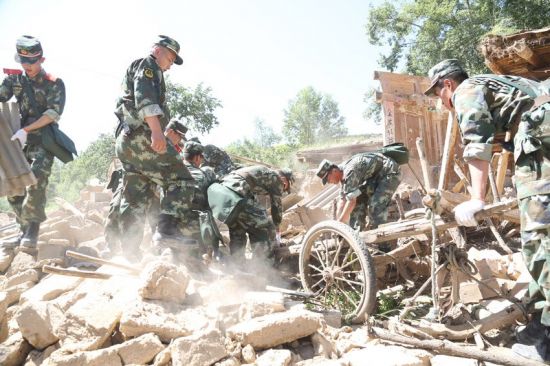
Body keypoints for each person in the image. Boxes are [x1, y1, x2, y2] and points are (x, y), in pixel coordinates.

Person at [424, 59, 550, 361]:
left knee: (539, 236)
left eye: (438, 94)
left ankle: (546, 338)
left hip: (540, 136)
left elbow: (475, 142)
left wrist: (476, 198)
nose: (441, 103)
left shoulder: (466, 91)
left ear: (448, 85)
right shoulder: (501, 86)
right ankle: (538, 323)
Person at [112, 35, 194, 261]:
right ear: (158, 50)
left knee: (136, 196)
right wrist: (157, 132)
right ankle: (167, 231)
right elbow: (145, 98)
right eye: (170, 58)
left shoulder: (150, 69)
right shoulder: (148, 66)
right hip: (143, 139)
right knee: (183, 179)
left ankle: (129, 252)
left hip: (128, 142)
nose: (170, 65)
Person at [0, 35, 66, 249]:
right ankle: (23, 230)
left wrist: (25, 130)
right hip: (18, 143)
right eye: (23, 61)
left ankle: (33, 231)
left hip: (42, 140)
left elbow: (52, 114)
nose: (27, 65)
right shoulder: (15, 80)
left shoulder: (54, 83)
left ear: (42, 60)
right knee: (15, 185)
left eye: (32, 61)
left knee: (37, 181)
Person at [216, 165, 293, 261]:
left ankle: (237, 265)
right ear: (284, 179)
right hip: (237, 192)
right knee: (263, 226)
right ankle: (263, 265)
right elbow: (276, 205)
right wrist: (277, 226)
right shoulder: (276, 177)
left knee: (237, 230)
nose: (283, 190)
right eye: (285, 187)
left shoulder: (259, 173)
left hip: (222, 194)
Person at [315, 152, 401, 232]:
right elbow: (342, 201)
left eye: (328, 179)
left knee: (375, 206)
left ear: (334, 171)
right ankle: (357, 234)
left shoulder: (349, 172)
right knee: (358, 202)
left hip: (390, 172)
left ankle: (384, 244)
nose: (329, 182)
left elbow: (351, 202)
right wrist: (338, 224)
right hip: (376, 177)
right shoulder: (342, 175)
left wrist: (341, 223)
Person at [180, 141, 220, 255]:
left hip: (169, 226)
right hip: (195, 227)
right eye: (202, 157)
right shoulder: (206, 174)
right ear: (197, 157)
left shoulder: (172, 171)